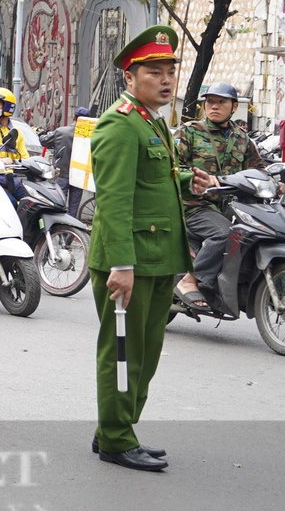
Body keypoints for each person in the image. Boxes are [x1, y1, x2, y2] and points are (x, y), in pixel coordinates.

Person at [88, 25, 214, 472]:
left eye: (169, 72)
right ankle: (118, 439)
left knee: (147, 351)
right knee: (124, 351)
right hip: (131, 262)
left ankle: (115, 430)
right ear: (130, 77)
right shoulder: (119, 126)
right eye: (154, 72)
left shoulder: (150, 121)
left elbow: (150, 181)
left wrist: (187, 179)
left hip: (159, 258)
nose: (165, 80)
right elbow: (115, 199)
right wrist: (122, 264)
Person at [173, 80, 263, 312]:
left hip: (230, 208)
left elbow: (258, 170)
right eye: (210, 102)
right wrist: (196, 179)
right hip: (193, 206)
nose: (214, 106)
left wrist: (276, 183)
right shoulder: (190, 131)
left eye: (221, 102)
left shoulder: (242, 138)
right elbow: (173, 167)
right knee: (225, 234)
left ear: (234, 106)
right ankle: (191, 280)